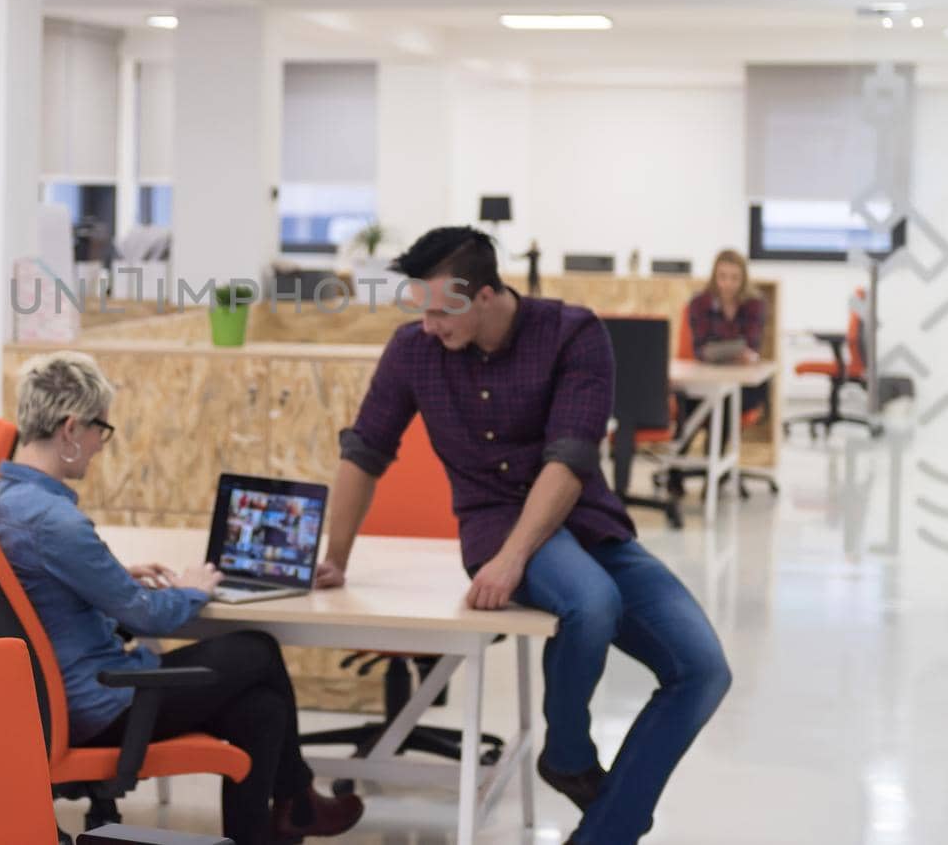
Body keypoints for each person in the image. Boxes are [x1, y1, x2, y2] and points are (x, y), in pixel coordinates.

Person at [318, 227, 730, 845]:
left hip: (586, 522)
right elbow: (366, 452)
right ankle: (570, 759)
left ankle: (588, 807)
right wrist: (335, 559)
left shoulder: (572, 334)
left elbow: (568, 458)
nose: (428, 326)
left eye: (441, 311)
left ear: (485, 295)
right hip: (492, 523)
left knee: (703, 670)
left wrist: (514, 561)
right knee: (590, 603)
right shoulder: (413, 351)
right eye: (420, 310)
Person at [0, 351, 363, 845]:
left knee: (262, 710)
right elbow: (148, 616)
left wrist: (108, 575)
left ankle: (290, 813)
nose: (99, 447)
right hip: (102, 705)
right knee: (257, 649)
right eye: (99, 431)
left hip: (46, 705)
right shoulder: (56, 522)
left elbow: (32, 576)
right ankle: (298, 799)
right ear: (69, 428)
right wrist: (192, 588)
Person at [674, 249, 769, 457]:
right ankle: (677, 469)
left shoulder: (755, 303)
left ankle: (714, 468)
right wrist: (734, 350)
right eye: (722, 277)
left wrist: (720, 351)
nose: (728, 284)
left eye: (735, 278)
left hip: (743, 385)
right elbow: (701, 349)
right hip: (705, 379)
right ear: (714, 277)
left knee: (725, 400)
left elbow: (751, 345)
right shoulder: (699, 303)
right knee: (690, 400)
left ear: (743, 279)